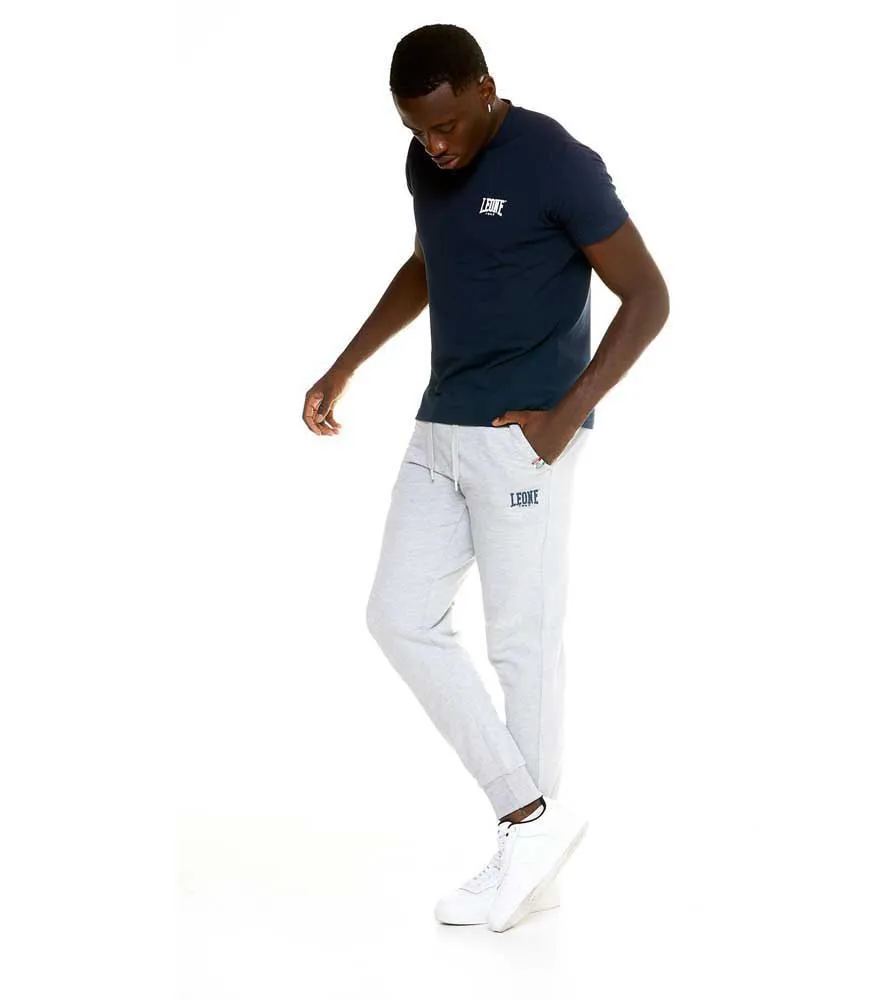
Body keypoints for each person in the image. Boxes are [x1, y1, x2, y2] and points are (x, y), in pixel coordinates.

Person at [302, 23, 669, 932]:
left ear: (484, 89)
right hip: (439, 428)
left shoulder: (557, 162)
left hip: (521, 443)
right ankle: (532, 822)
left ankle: (526, 860)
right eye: (415, 128)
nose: (434, 144)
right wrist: (346, 364)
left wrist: (564, 417)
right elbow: (428, 265)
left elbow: (649, 295)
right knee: (397, 615)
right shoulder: (425, 161)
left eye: (446, 124)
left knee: (521, 645)